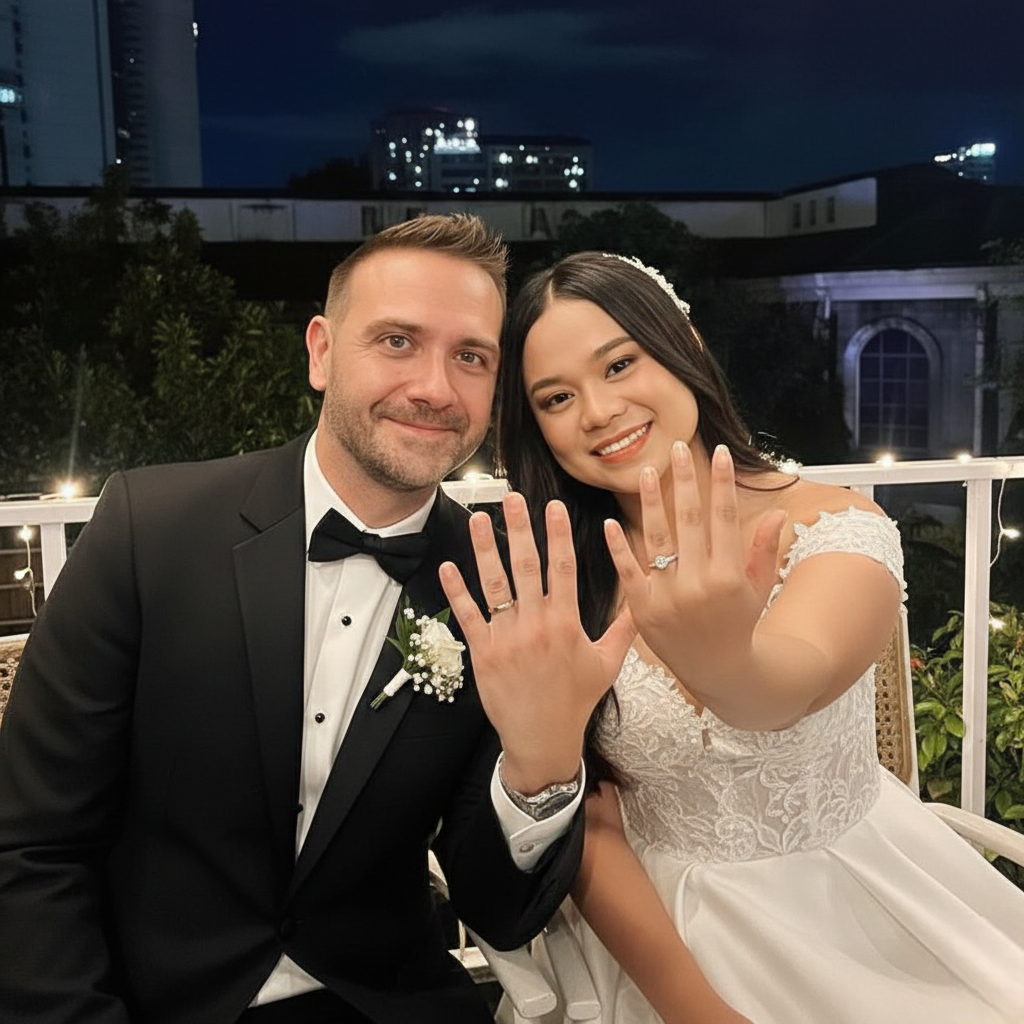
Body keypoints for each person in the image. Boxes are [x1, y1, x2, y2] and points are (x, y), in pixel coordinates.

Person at [0, 216, 635, 1024]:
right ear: (322, 352)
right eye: (398, 341)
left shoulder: (504, 592)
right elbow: (33, 845)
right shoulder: (148, 529)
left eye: (471, 357)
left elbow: (500, 911)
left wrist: (540, 769)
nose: (436, 388)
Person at [491, 250, 1024, 1024]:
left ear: (684, 347)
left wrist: (727, 663)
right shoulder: (558, 575)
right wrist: (696, 1008)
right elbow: (591, 822)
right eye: (557, 397)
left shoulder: (838, 525)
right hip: (649, 939)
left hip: (861, 915)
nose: (598, 411)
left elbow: (790, 685)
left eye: (620, 364)